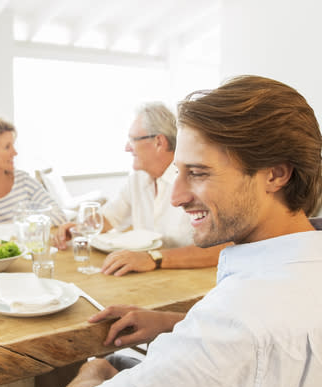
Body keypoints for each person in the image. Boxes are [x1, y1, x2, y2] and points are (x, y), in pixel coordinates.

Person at [0, 75, 322, 387]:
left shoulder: (238, 321)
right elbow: (266, 349)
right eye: (180, 172)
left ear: (275, 174)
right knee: (124, 361)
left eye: (200, 172)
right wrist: (173, 323)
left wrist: (92, 369)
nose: (177, 195)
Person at [55, 102, 227, 276]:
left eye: (133, 140)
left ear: (159, 142)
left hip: (192, 279)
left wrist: (153, 258)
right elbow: (110, 217)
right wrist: (79, 227)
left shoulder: (197, 180)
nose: (127, 147)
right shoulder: (138, 179)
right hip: (151, 277)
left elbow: (220, 249)